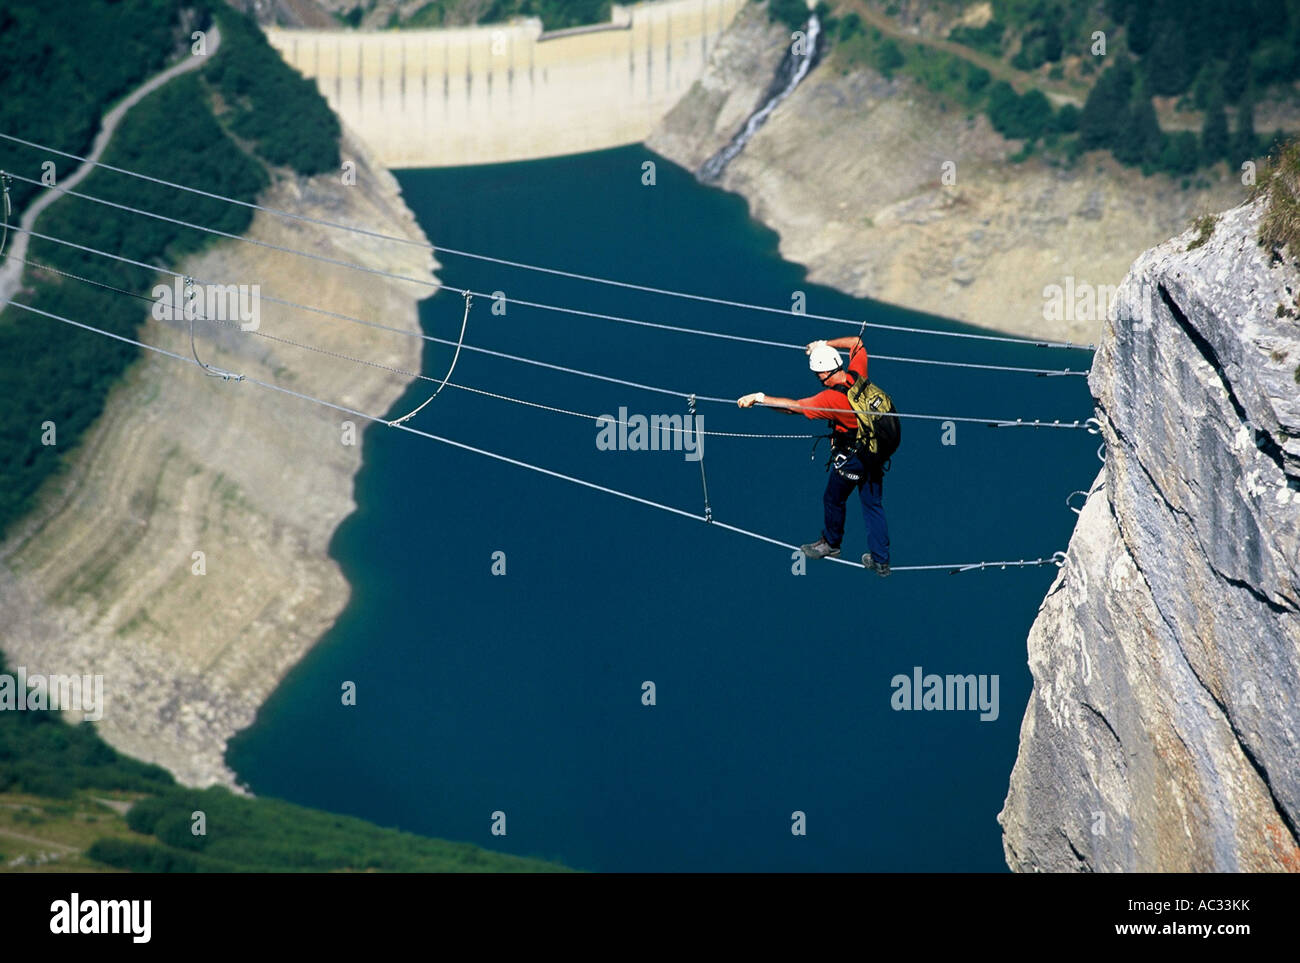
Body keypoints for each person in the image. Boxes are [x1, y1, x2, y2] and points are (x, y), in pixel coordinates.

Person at [737, 337, 896, 576]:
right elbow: (857, 343)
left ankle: (831, 544)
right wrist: (823, 344)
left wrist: (760, 398)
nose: (818, 380)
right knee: (872, 505)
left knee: (833, 499)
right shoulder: (857, 376)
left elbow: (793, 407)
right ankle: (881, 560)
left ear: (824, 374)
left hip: (854, 456)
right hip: (875, 451)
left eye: (818, 375)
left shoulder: (832, 399)